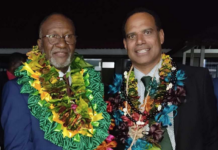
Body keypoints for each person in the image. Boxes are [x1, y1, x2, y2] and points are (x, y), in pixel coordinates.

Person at [106, 8, 218, 150]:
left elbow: (213, 137)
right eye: (132, 36)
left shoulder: (197, 80)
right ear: (125, 44)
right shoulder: (116, 91)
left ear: (161, 36)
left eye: (147, 32)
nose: (140, 41)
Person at [1, 14, 113, 150]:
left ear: (75, 43)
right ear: (40, 45)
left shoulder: (92, 87)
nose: (61, 43)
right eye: (53, 36)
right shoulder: (18, 91)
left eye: (68, 36)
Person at [0, 52, 25, 150]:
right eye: (22, 65)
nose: (24, 68)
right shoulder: (2, 79)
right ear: (14, 64)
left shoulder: (23, 82)